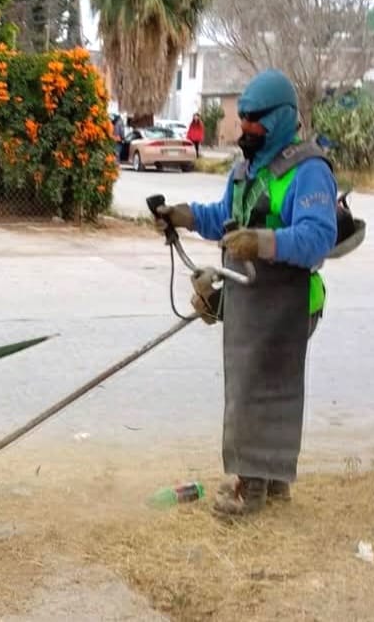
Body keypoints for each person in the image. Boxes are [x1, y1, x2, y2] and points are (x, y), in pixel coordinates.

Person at [153, 69, 354, 519]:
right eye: (241, 118)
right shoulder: (246, 169)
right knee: (254, 383)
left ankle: (250, 487)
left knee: (260, 389)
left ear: (281, 119)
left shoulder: (310, 171)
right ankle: (275, 482)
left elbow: (317, 238)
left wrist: (263, 242)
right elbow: (226, 216)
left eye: (253, 120)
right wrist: (184, 216)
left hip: (291, 298)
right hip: (251, 293)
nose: (244, 128)